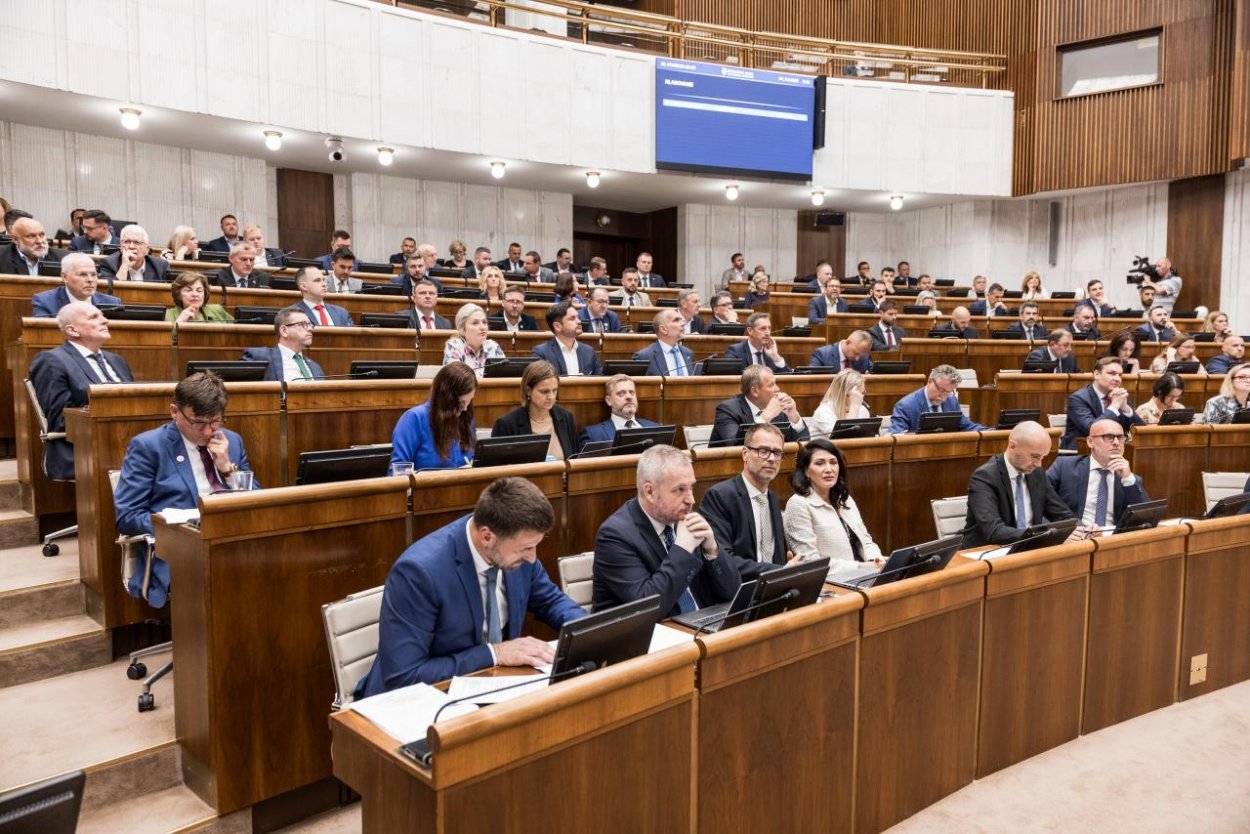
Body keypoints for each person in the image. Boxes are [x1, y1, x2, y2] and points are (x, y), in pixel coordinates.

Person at [356, 476, 585, 695]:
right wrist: (494, 654)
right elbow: (403, 676)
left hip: (489, 686)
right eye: (525, 548)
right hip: (415, 704)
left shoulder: (516, 552)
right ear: (487, 537)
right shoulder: (419, 573)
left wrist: (591, 632)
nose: (532, 558)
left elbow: (550, 600)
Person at [114, 371, 257, 609]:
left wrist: (227, 469)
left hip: (232, 539)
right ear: (174, 412)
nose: (208, 431)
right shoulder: (148, 447)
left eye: (216, 421)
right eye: (198, 422)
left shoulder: (231, 440)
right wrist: (184, 527)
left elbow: (256, 499)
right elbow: (127, 517)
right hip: (183, 550)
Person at [591, 445, 738, 617]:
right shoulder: (615, 536)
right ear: (650, 492)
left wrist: (712, 550)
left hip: (700, 625)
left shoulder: (684, 520)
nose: (691, 499)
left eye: (691, 487)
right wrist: (682, 550)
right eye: (679, 490)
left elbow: (732, 592)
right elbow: (648, 607)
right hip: (651, 637)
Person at [29, 301, 135, 480]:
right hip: (83, 448)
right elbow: (60, 420)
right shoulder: (51, 360)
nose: (105, 321)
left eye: (102, 316)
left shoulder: (117, 360)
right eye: (95, 317)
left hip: (127, 441)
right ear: (72, 330)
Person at [960, 421, 1079, 549]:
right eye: (1035, 456)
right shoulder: (985, 477)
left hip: (1028, 549)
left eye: (1042, 457)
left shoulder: (1036, 474)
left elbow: (1061, 514)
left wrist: (1082, 528)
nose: (1039, 464)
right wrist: (1043, 536)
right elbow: (994, 531)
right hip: (987, 552)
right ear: (1012, 446)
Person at [699, 424, 792, 574]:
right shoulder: (720, 496)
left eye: (777, 452)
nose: (771, 458)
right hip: (738, 589)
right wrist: (781, 570)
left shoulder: (772, 498)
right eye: (763, 451)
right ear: (745, 453)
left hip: (773, 587)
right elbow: (724, 560)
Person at [784, 439, 883, 564]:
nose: (829, 469)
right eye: (820, 463)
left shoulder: (844, 498)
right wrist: (861, 568)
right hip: (832, 580)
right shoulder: (798, 504)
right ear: (806, 471)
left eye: (833, 462)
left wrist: (875, 560)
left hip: (864, 572)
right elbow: (809, 561)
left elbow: (866, 540)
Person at [1048, 418, 1150, 529]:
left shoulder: (1130, 479)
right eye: (1109, 437)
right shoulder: (1065, 467)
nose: (1116, 442)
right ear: (1090, 442)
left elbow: (1145, 518)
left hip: (1111, 539)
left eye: (1121, 437)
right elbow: (1040, 501)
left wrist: (1128, 478)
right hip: (1075, 537)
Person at [390, 362, 476, 469]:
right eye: (461, 403)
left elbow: (472, 458)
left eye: (469, 401)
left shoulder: (466, 417)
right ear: (446, 399)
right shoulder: (414, 419)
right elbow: (398, 470)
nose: (465, 408)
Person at [492, 360, 578, 460]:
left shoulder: (566, 417)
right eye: (544, 391)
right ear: (528, 390)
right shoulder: (506, 424)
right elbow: (499, 468)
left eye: (554, 390)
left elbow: (575, 460)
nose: (551, 397)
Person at [711, 365, 810, 446]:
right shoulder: (728, 410)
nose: (777, 389)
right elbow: (735, 444)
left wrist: (794, 417)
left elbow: (803, 444)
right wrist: (766, 416)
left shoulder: (779, 411)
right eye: (771, 385)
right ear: (755, 391)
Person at [1061, 357, 1144, 450]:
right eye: (1112, 373)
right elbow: (1092, 430)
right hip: (1081, 454)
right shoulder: (1078, 399)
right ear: (1096, 374)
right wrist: (1114, 406)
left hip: (1113, 452)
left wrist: (1126, 409)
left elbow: (1141, 432)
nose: (1117, 379)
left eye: (1120, 375)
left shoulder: (1119, 397)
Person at [889, 365, 985, 434]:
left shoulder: (951, 400)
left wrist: (992, 432)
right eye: (941, 389)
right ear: (930, 381)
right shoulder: (906, 405)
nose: (943, 396)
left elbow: (966, 426)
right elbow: (896, 435)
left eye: (948, 392)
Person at [241, 306, 326, 381]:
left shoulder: (315, 368)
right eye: (302, 324)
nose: (310, 329)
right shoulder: (259, 357)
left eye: (310, 324)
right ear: (284, 330)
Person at [579, 374, 660, 448]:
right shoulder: (593, 435)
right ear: (609, 400)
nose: (629, 397)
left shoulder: (656, 428)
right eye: (621, 393)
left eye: (632, 392)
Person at [32, 253, 121, 317]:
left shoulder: (112, 304)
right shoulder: (45, 302)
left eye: (93, 274)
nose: (90, 280)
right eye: (83, 275)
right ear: (64, 277)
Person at [530, 301, 602, 376]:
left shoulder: (589, 351)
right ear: (557, 326)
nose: (579, 321)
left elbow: (599, 380)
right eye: (572, 318)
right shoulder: (542, 353)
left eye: (578, 317)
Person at [442, 303, 506, 376]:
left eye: (484, 322)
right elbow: (453, 379)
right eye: (475, 323)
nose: (482, 327)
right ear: (462, 330)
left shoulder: (493, 346)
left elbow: (505, 376)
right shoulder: (454, 346)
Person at [94, 225, 170, 283]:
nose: (131, 246)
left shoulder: (160, 266)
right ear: (121, 247)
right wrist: (125, 266)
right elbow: (110, 293)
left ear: (146, 250)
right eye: (127, 242)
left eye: (137, 242)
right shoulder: (108, 263)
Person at [633, 309, 697, 376]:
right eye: (676, 320)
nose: (683, 324)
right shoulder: (644, 357)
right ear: (663, 329)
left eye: (681, 320)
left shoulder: (688, 353)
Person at [810, 370, 872, 437]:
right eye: (857, 394)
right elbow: (844, 438)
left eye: (863, 393)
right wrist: (854, 407)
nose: (861, 398)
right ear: (844, 394)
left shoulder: (862, 410)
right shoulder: (824, 411)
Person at [1, 216, 65, 275]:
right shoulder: (2, 257)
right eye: (31, 236)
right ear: (15, 239)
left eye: (41, 235)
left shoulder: (63, 258)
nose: (39, 241)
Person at [165, 271, 233, 323]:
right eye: (188, 290)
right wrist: (180, 321)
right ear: (178, 294)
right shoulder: (167, 315)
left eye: (199, 291)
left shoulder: (218, 311)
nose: (195, 294)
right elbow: (163, 339)